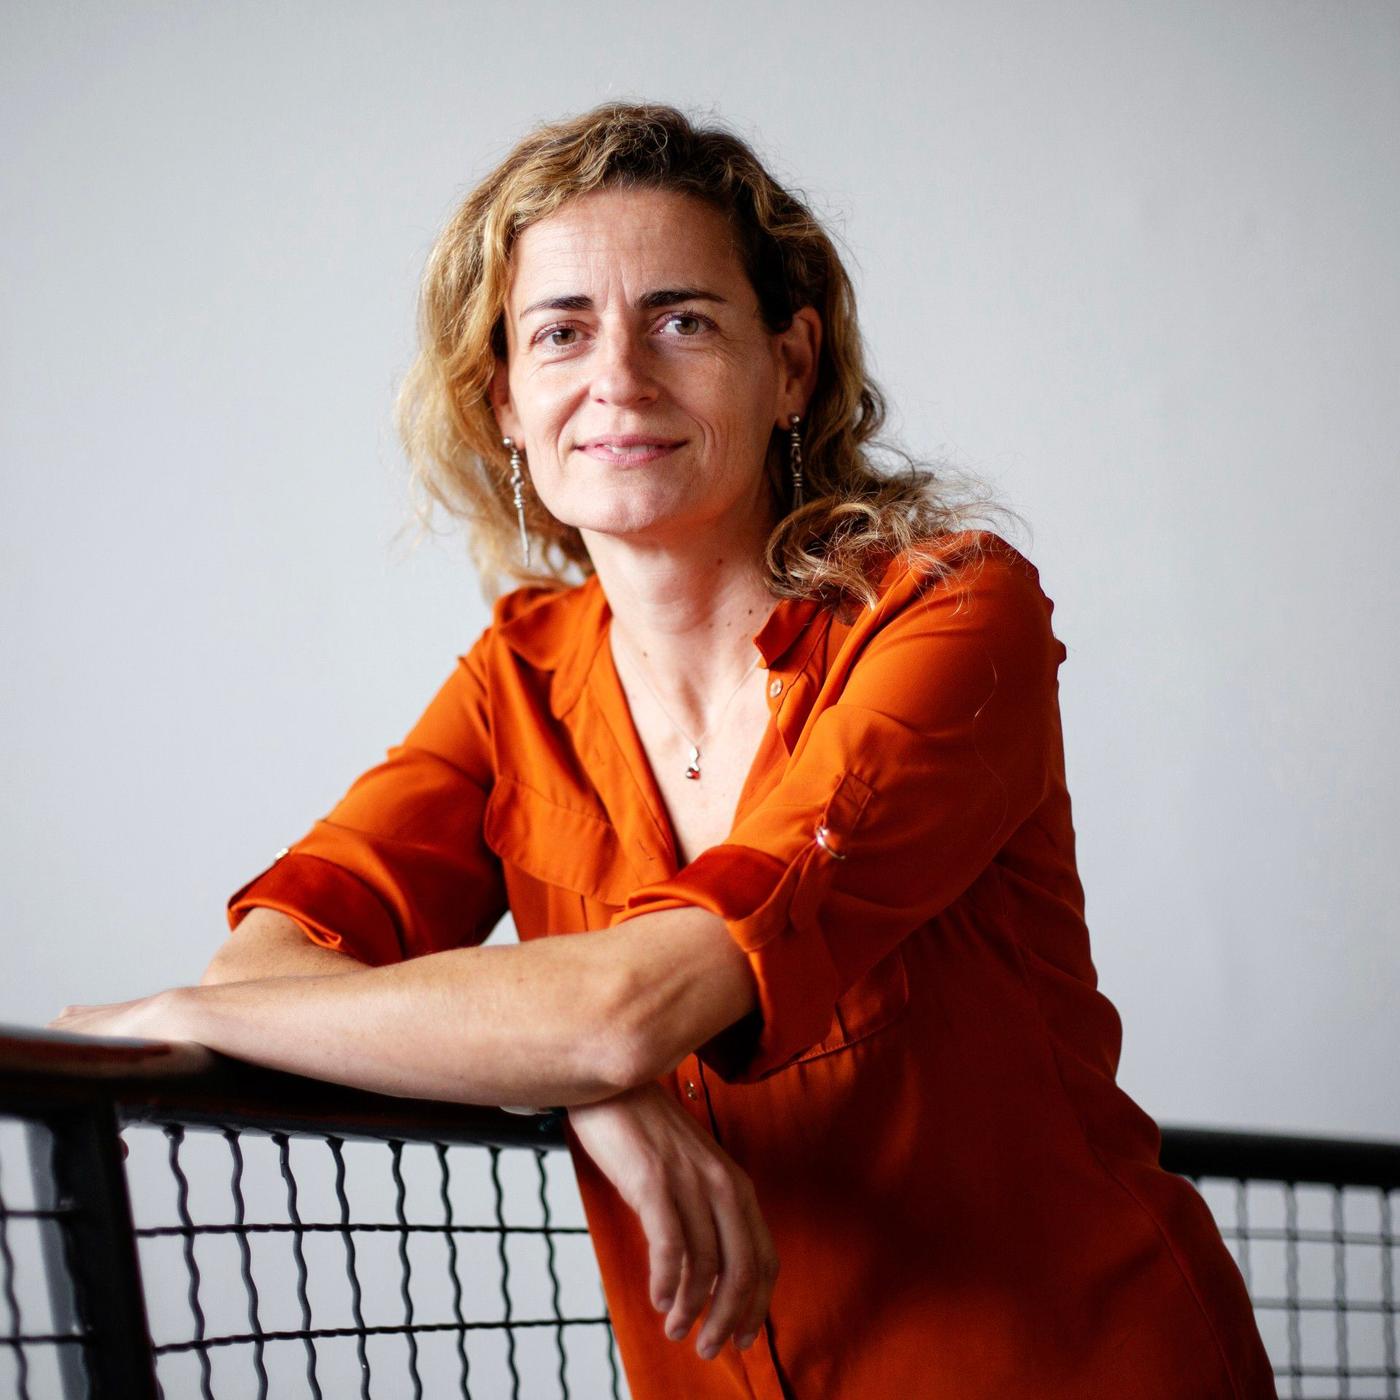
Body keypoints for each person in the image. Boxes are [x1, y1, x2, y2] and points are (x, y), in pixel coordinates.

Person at [52, 102, 1278, 1399]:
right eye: (561, 333)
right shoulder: (516, 679)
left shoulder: (950, 611)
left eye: (683, 320)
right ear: (507, 403)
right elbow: (272, 955)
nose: (619, 380)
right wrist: (596, 1086)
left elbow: (621, 1007)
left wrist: (202, 1021)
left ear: (791, 367)